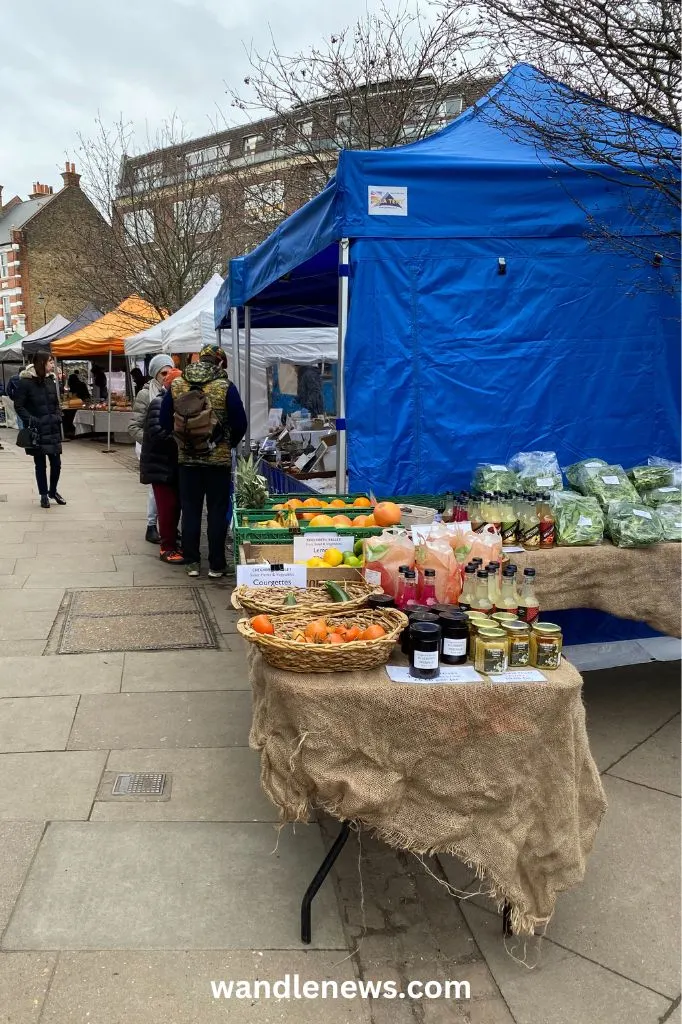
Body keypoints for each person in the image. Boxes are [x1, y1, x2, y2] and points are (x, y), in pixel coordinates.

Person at [160, 344, 246, 578]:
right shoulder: (225, 386)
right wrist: (227, 443)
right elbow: (240, 423)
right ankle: (217, 565)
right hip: (217, 461)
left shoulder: (177, 384)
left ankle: (192, 562)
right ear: (219, 362)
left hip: (187, 460)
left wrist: (181, 441)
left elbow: (164, 419)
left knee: (190, 509)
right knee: (217, 510)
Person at [128, 354, 174, 544]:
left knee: (167, 489)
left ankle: (168, 526)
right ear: (155, 374)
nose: (167, 376)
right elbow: (133, 426)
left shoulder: (176, 391)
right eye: (163, 372)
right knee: (155, 488)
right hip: (150, 447)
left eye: (170, 371)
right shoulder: (146, 394)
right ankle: (151, 525)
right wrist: (149, 441)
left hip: (168, 446)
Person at [140, 368, 183, 563]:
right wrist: (182, 440)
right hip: (161, 466)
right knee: (167, 507)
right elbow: (158, 434)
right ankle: (167, 548)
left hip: (168, 465)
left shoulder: (171, 402)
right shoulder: (159, 403)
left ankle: (171, 541)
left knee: (173, 506)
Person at [14, 352, 65, 508]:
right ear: (42, 363)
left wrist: (57, 415)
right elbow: (19, 405)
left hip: (53, 428)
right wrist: (31, 420)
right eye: (50, 362)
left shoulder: (50, 381)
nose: (52, 365)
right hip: (38, 430)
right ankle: (43, 495)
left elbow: (56, 403)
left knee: (56, 463)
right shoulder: (25, 382)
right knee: (40, 464)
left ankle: (53, 491)